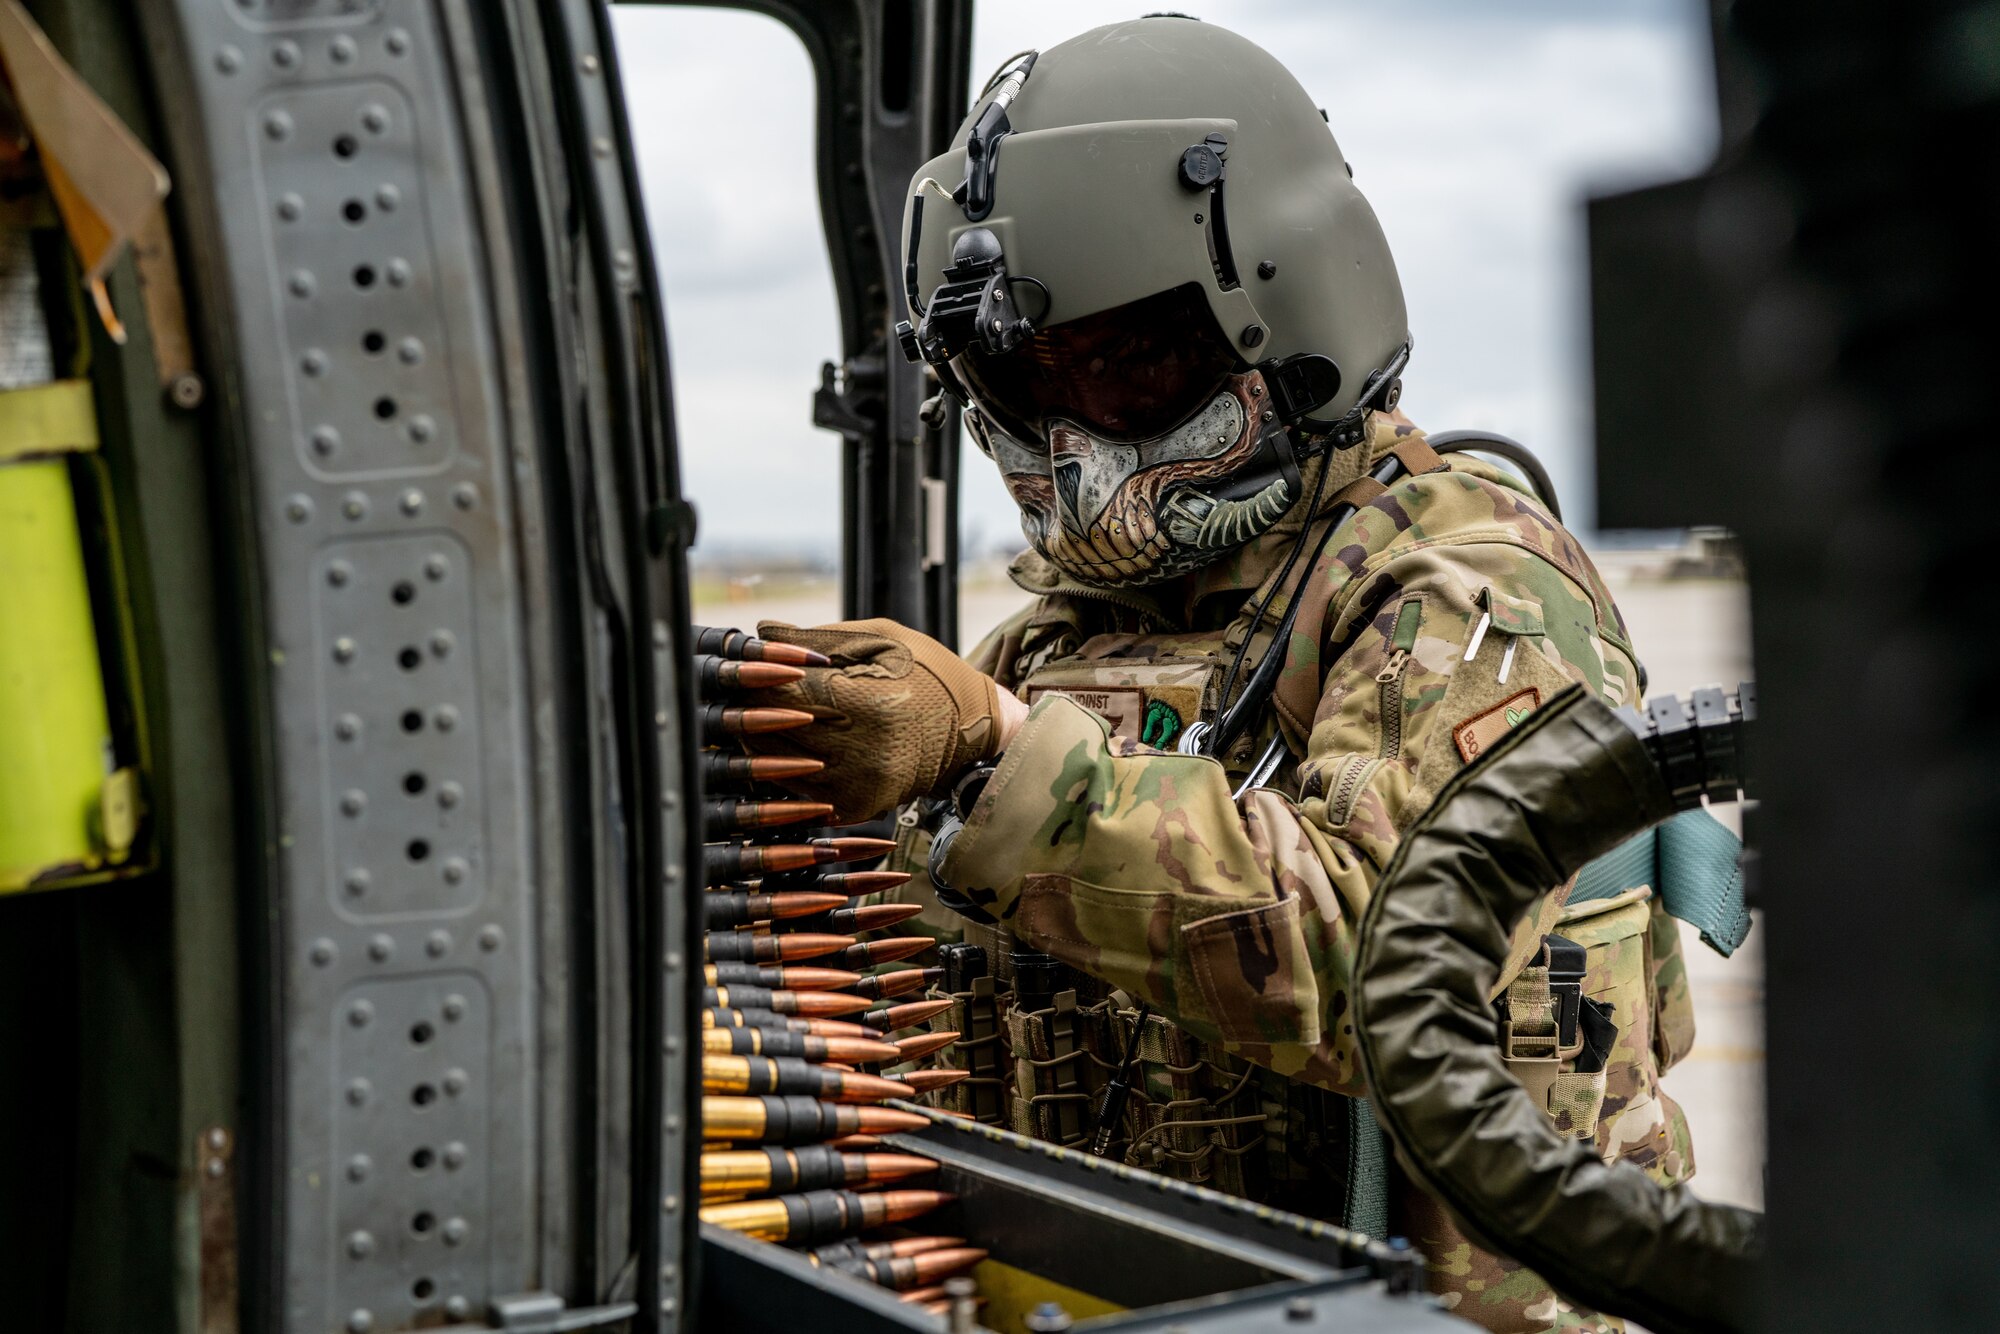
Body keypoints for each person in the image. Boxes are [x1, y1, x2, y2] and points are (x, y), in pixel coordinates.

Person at [739, 17, 1702, 1332]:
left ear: (1292, 310)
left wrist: (993, 753)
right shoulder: (1057, 639)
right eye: (1025, 385)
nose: (1075, 440)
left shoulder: (1470, 586)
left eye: (1132, 369)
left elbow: (1394, 968)